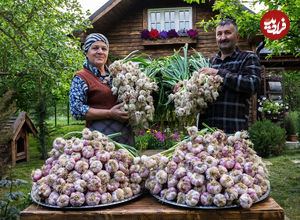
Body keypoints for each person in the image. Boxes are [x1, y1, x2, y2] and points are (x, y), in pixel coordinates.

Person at [175, 19, 261, 133]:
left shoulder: (248, 58)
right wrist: (184, 87)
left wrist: (218, 73)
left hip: (233, 132)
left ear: (238, 37)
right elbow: (198, 93)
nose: (223, 37)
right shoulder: (209, 63)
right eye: (219, 34)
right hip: (206, 133)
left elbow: (252, 84)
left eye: (227, 33)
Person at [69, 33, 135, 146]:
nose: (100, 52)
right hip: (99, 140)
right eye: (95, 48)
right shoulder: (81, 77)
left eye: (104, 49)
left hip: (125, 137)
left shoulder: (118, 76)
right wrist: (109, 113)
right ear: (86, 52)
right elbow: (76, 109)